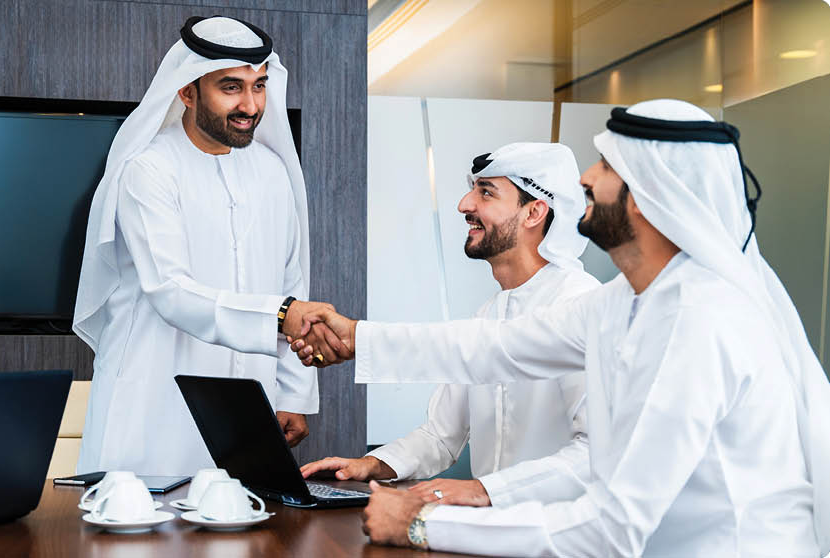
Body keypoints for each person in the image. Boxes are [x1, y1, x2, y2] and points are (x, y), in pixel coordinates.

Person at [292, 100, 830, 556]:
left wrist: (424, 523)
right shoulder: (627, 302)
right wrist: (355, 334)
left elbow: (613, 523)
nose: (586, 179)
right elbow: (493, 348)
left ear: (647, 195)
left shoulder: (700, 320)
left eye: (605, 166)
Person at [71, 15, 346, 476]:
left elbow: (291, 282)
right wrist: (281, 315)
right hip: (151, 403)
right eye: (231, 87)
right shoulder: (149, 170)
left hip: (246, 406)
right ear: (187, 91)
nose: (251, 105)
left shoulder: (272, 172)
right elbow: (171, 291)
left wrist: (294, 392)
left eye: (259, 86)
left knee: (237, 538)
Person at [300, 143, 599, 510]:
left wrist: (485, 491)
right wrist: (372, 465)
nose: (464, 204)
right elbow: (442, 435)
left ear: (534, 212)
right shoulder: (489, 314)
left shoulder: (582, 306)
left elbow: (595, 454)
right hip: (490, 537)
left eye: (486, 192)